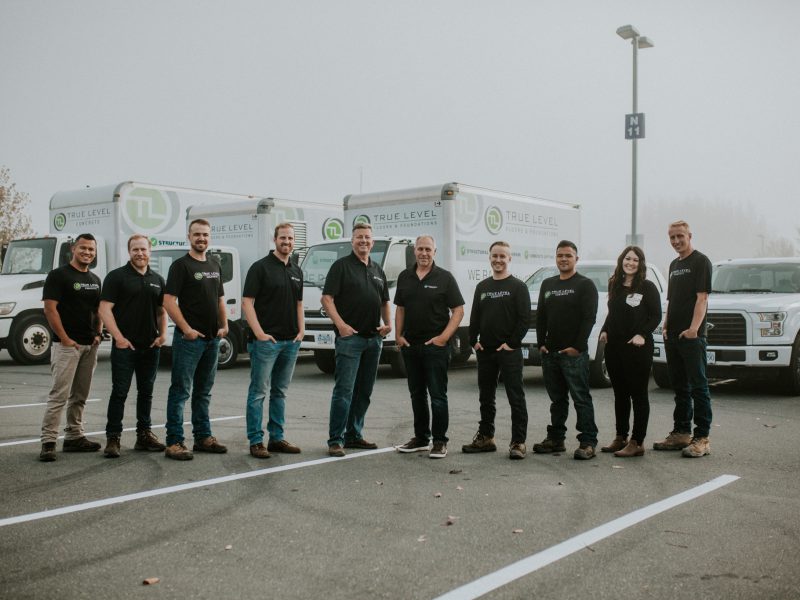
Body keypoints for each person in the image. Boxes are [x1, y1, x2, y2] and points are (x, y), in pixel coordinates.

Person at [322, 222, 391, 457]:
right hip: (350, 340)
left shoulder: (377, 269)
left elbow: (384, 301)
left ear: (372, 242)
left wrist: (387, 325)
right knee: (344, 391)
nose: (363, 241)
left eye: (367, 237)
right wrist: (341, 326)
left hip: (374, 340)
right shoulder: (341, 267)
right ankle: (335, 439)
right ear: (352, 241)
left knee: (364, 391)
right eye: (359, 237)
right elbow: (327, 299)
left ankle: (354, 435)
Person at [162, 218, 229, 460]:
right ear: (189, 237)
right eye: (197, 234)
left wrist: (224, 324)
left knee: (203, 392)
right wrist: (186, 329)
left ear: (210, 237)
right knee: (180, 391)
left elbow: (220, 298)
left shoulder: (214, 264)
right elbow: (168, 301)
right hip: (189, 340)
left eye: (205, 235)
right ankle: (174, 442)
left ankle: (203, 437)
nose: (201, 238)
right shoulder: (181, 266)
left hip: (212, 340)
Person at [394, 235, 465, 459]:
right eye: (420, 249)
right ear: (414, 251)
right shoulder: (405, 276)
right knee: (417, 394)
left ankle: (440, 441)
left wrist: (443, 338)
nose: (424, 253)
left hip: (436, 347)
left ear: (435, 252)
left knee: (437, 395)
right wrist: (398, 335)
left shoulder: (444, 278)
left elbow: (458, 310)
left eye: (428, 249)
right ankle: (421, 438)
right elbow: (401, 308)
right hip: (411, 346)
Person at [99, 234, 168, 458]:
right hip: (124, 347)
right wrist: (118, 337)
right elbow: (104, 309)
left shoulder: (157, 279)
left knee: (146, 393)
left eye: (143, 249)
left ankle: (144, 435)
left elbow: (161, 311)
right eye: (135, 249)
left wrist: (163, 335)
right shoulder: (117, 277)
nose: (140, 253)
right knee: (120, 392)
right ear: (129, 252)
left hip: (150, 346)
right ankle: (113, 438)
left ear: (150, 251)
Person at [461, 241, 529, 460]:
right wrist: (474, 341)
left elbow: (524, 319)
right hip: (486, 351)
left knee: (515, 397)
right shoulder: (483, 287)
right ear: (489, 258)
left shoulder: (518, 287)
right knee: (486, 396)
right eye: (495, 256)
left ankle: (518, 442)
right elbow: (475, 317)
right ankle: (486, 438)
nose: (498, 260)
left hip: (509, 351)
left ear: (509, 259)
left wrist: (511, 343)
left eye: (503, 256)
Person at [242, 223, 304, 459]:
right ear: (274, 239)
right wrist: (259, 334)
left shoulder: (296, 270)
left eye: (290, 238)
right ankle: (256, 441)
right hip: (266, 342)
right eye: (282, 238)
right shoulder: (260, 268)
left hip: (291, 342)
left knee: (280, 392)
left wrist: (301, 330)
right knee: (258, 392)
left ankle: (276, 438)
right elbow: (247, 302)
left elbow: (298, 304)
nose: (286, 242)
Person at [39, 234, 103, 461]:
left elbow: (98, 311)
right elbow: (50, 309)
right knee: (59, 395)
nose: (87, 252)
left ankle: (74, 437)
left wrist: (98, 333)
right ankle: (48, 442)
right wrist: (64, 338)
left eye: (91, 250)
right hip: (67, 346)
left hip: (89, 345)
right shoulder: (58, 276)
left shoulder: (95, 279)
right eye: (83, 248)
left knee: (80, 396)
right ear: (73, 249)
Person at [533, 240, 599, 460]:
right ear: (556, 258)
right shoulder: (548, 284)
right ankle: (556, 439)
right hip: (550, 354)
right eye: (560, 255)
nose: (563, 259)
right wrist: (541, 343)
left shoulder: (585, 285)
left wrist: (577, 347)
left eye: (568, 255)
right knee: (557, 400)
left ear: (576, 259)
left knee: (581, 398)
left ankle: (588, 441)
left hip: (574, 355)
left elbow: (588, 319)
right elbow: (541, 316)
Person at [654, 220, 713, 458]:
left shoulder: (701, 261)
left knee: (698, 387)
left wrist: (693, 330)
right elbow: (672, 300)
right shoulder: (673, 264)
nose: (676, 241)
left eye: (680, 236)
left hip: (691, 336)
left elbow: (702, 299)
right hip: (673, 335)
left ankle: (702, 438)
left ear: (690, 235)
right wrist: (666, 325)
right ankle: (681, 433)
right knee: (680, 387)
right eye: (672, 237)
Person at [598, 246, 662, 457]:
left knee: (638, 394)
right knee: (620, 394)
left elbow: (655, 316)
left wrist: (642, 334)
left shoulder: (648, 287)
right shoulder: (614, 284)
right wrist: (605, 330)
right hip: (615, 347)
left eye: (635, 260)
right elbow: (613, 312)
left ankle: (637, 441)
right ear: (621, 260)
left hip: (637, 348)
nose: (631, 263)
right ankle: (620, 437)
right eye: (628, 258)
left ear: (640, 263)